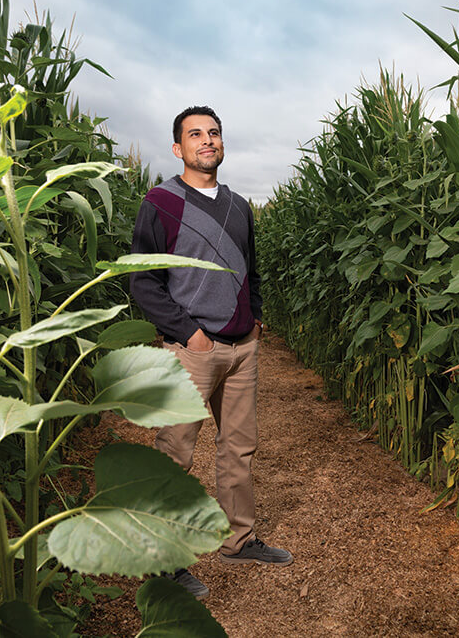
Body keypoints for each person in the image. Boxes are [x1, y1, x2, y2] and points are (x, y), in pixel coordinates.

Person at [129, 106, 292, 599]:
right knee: (175, 452)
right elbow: (143, 281)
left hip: (243, 347)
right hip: (193, 350)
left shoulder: (240, 205)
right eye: (195, 134)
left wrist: (256, 318)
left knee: (238, 448)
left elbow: (251, 271)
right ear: (178, 148)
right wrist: (187, 333)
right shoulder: (160, 202)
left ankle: (239, 539)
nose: (207, 140)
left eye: (214, 133)